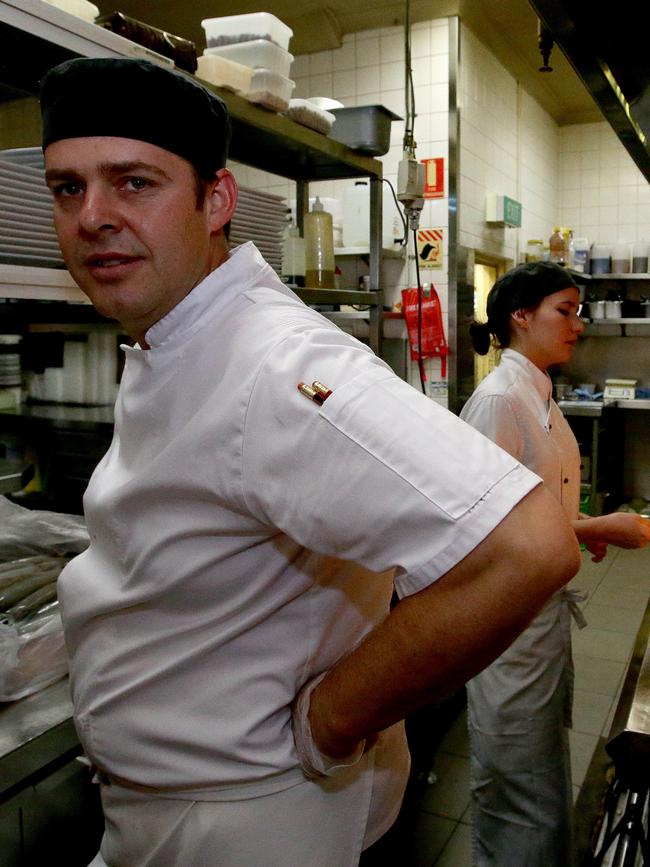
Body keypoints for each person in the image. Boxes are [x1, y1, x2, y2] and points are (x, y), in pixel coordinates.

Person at [40, 58, 581, 867]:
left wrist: (331, 718)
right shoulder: (182, 336)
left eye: (134, 183)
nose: (94, 217)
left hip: (239, 817)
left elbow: (527, 545)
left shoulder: (271, 364)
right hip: (173, 802)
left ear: (215, 201)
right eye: (67, 189)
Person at [460, 261, 650, 867]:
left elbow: (537, 503)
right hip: (507, 623)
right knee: (518, 786)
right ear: (521, 315)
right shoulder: (498, 401)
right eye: (564, 311)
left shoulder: (537, 390)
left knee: (538, 773)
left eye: (578, 312)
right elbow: (485, 529)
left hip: (540, 610)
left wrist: (572, 535)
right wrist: (598, 527)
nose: (578, 324)